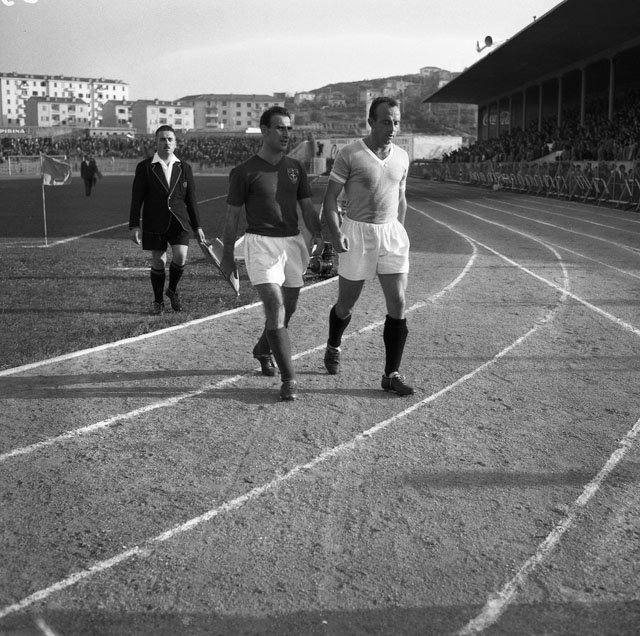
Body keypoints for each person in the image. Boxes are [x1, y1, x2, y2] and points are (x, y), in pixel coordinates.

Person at [220, 106, 323, 401]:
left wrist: (317, 234)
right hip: (261, 245)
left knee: (289, 308)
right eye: (279, 127)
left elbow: (307, 208)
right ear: (264, 131)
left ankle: (262, 349)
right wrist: (227, 257)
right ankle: (289, 379)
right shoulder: (244, 172)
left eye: (289, 128)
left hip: (292, 243)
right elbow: (232, 217)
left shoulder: (295, 168)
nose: (286, 133)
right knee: (275, 306)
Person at [321, 96, 415, 396]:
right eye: (386, 121)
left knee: (398, 302)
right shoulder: (350, 154)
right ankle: (334, 344)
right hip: (358, 234)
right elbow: (330, 199)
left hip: (391, 234)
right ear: (371, 122)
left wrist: (400, 230)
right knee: (346, 304)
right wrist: (336, 232)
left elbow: (401, 197)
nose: (392, 128)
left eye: (396, 122)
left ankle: (391, 374)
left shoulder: (402, 157)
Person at [129, 125, 205, 315]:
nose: (166, 142)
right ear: (156, 142)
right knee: (158, 261)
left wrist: (197, 226)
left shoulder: (184, 168)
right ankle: (158, 300)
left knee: (180, 256)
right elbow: (137, 199)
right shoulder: (145, 167)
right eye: (162, 139)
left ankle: (172, 290)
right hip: (155, 221)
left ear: (176, 143)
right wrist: (134, 225)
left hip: (179, 221)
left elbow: (191, 199)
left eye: (170, 139)